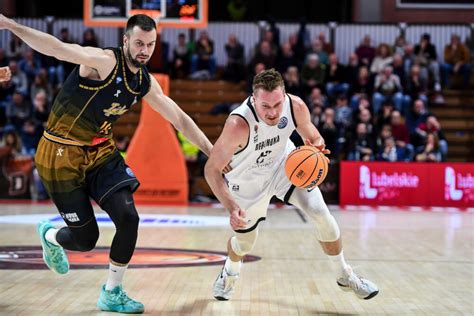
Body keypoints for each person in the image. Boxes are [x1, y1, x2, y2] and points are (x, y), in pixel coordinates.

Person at [0, 14, 213, 313]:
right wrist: (10, 25)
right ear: (125, 40)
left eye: (150, 44)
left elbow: (178, 117)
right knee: (86, 240)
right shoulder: (103, 62)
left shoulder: (143, 81)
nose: (144, 50)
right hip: (60, 154)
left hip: (101, 151)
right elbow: (56, 47)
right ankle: (50, 234)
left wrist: (211, 151)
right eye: (139, 43)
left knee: (129, 219)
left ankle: (112, 292)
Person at [204, 69, 378, 301]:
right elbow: (211, 170)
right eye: (265, 106)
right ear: (253, 99)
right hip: (247, 181)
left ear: (284, 95)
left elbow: (315, 137)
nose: (273, 112)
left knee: (320, 213)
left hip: (284, 166)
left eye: (277, 104)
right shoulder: (238, 124)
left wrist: (316, 148)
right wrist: (231, 207)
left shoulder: (295, 106)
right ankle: (230, 272)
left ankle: (344, 274)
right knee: (245, 243)